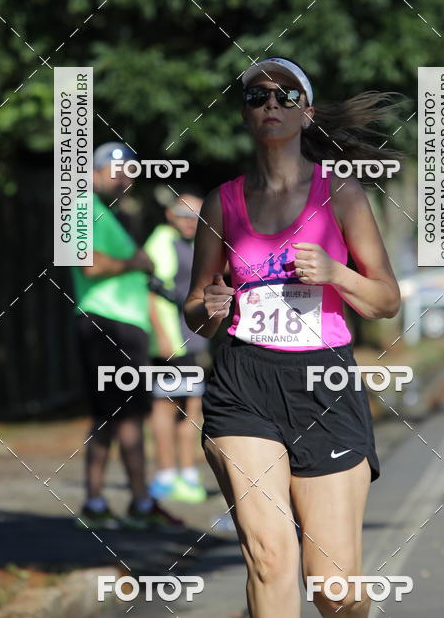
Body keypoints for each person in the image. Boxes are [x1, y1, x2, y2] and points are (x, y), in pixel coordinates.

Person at [184, 57, 401, 618]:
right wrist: (208, 305)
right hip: (244, 384)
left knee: (333, 590)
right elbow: (195, 309)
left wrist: (337, 274)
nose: (270, 105)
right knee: (270, 559)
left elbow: (385, 300)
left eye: (284, 96)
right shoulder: (221, 203)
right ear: (246, 115)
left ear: (306, 113)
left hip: (324, 382)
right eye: (257, 97)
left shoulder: (342, 194)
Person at [71, 142, 182, 530]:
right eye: (117, 170)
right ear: (92, 173)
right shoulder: (80, 206)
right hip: (105, 323)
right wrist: (136, 261)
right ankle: (101, 502)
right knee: (112, 415)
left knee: (130, 414)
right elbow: (86, 264)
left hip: (127, 328)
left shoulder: (108, 215)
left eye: (132, 172)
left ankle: (137, 501)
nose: (125, 179)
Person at [144, 192, 208, 503]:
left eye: (196, 217)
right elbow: (151, 293)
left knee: (192, 407)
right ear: (170, 215)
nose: (190, 222)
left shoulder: (195, 244)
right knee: (165, 406)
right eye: (184, 215)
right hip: (170, 343)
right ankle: (167, 475)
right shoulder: (161, 242)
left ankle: (188, 472)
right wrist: (163, 338)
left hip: (191, 341)